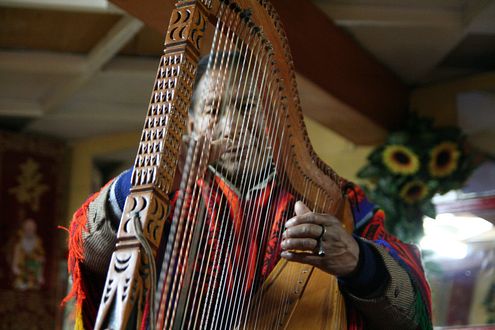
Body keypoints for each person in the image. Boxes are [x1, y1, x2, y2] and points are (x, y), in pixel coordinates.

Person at [64, 54, 432, 329]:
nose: (233, 126)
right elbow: (91, 256)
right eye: (214, 110)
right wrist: (151, 179)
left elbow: (411, 314)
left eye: (246, 106)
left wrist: (356, 260)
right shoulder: (162, 191)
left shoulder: (336, 201)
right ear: (191, 123)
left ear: (276, 117)